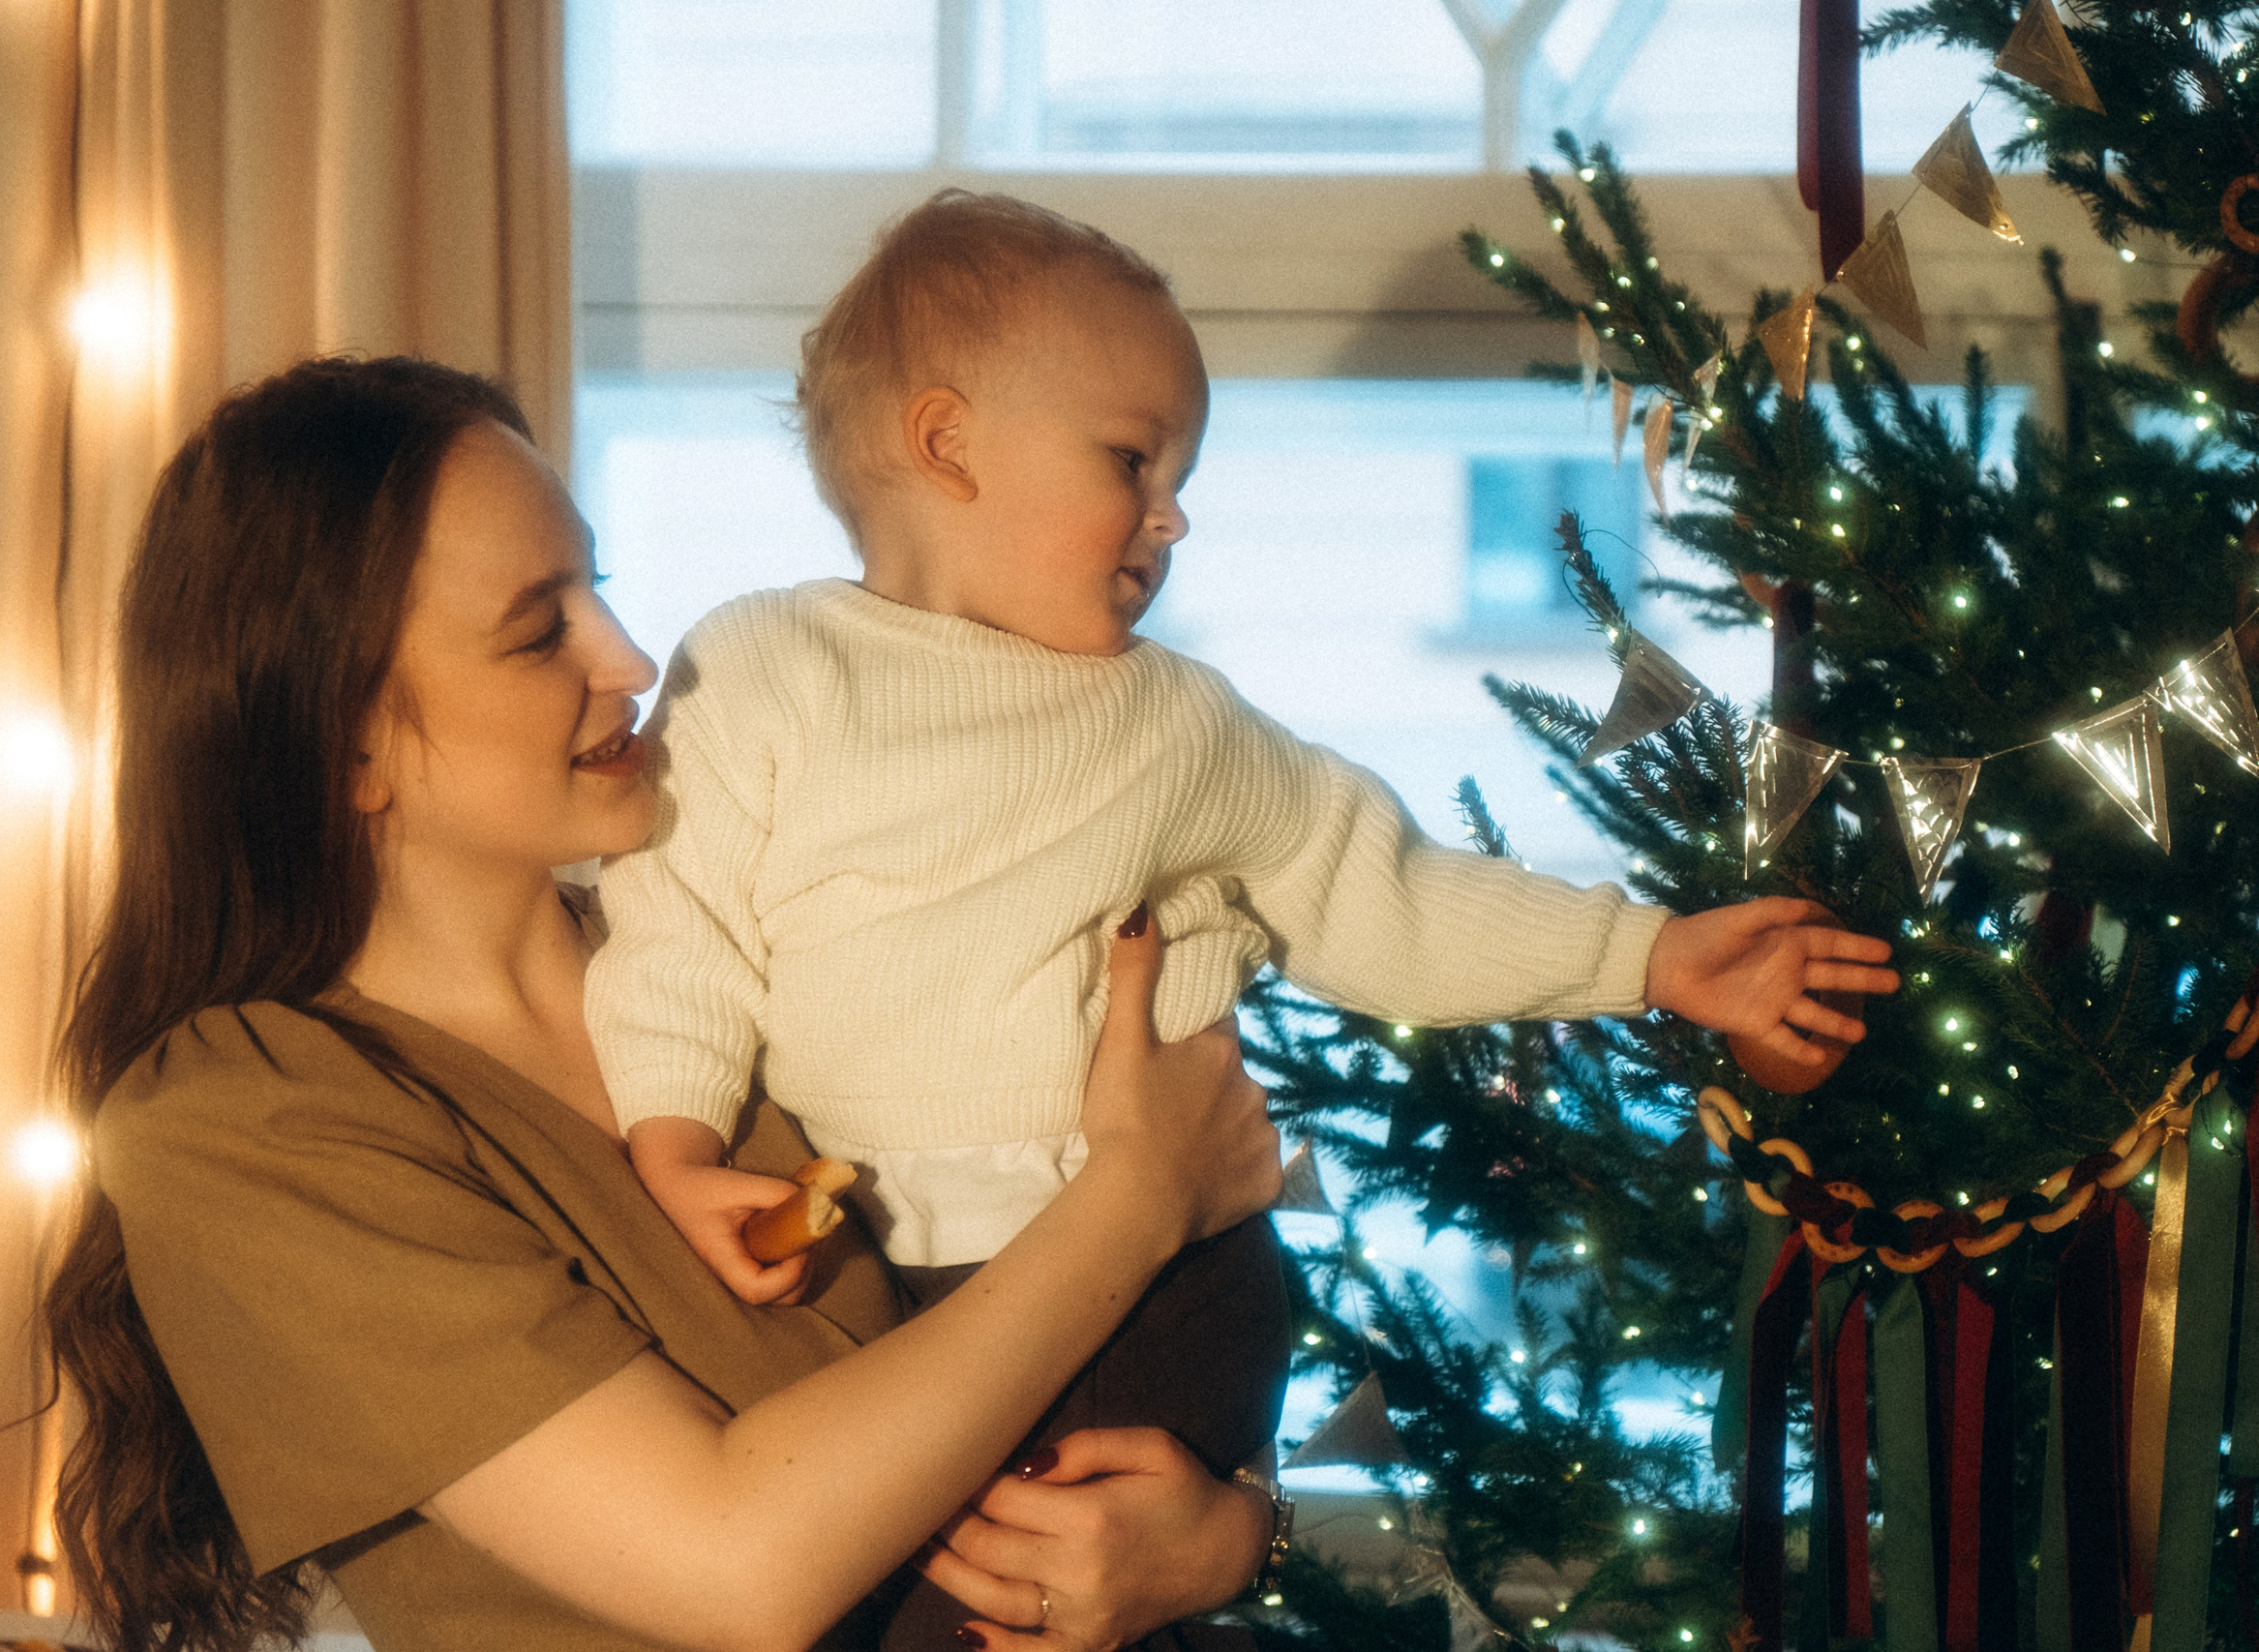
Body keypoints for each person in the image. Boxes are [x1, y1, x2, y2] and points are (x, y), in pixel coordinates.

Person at [584, 191, 1901, 1642]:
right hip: (882, 1282)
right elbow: (679, 932)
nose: (1174, 514)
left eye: (1180, 473)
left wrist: (1648, 954)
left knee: (1071, 1595)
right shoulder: (763, 667)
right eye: (1132, 459)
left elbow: (1387, 894)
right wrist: (677, 1149)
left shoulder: (1184, 725)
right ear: (947, 443)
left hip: (1171, 1287)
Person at [43, 354, 1289, 1652]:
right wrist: (1141, 1195)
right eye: (540, 632)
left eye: (600, 589)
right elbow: (733, 1568)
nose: (633, 661)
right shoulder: (237, 1124)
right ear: (346, 742)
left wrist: (1229, 1535)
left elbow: (1075, 1348)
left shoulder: (748, 960)